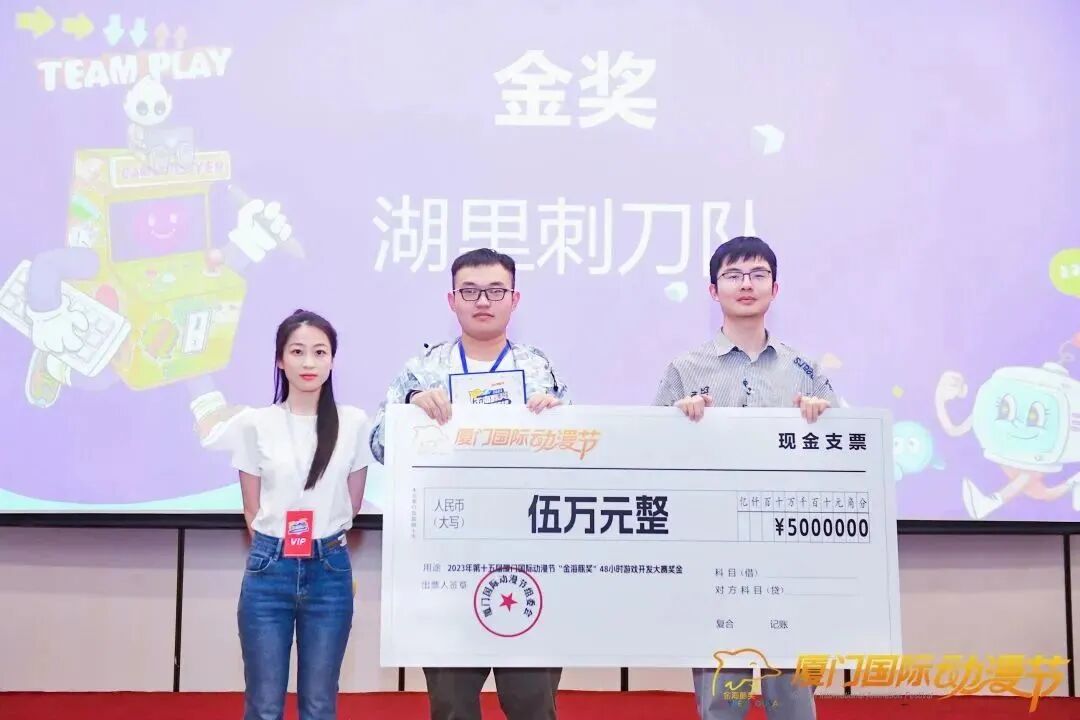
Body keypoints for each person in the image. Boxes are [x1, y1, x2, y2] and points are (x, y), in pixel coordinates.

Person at [370, 247, 569, 720]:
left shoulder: (538, 367)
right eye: (471, 291)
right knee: (452, 705)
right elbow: (379, 445)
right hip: (447, 559)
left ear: (514, 299)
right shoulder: (423, 370)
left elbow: (573, 453)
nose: (483, 301)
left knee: (532, 703)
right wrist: (410, 411)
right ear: (452, 299)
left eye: (496, 291)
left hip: (527, 555)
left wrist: (558, 421)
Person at [653, 236, 838, 720]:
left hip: (790, 548)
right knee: (722, 697)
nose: (746, 284)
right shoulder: (684, 368)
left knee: (793, 696)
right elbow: (652, 454)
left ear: (775, 287)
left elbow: (843, 454)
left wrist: (822, 420)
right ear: (713, 290)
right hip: (714, 549)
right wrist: (677, 421)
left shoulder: (804, 370)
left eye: (758, 274)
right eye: (733, 275)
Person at [232, 309, 374, 720]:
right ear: (280, 360)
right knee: (263, 705)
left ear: (332, 360)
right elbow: (251, 507)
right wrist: (276, 545)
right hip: (268, 568)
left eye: (319, 352)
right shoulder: (254, 423)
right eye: (297, 352)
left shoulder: (353, 422)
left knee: (319, 704)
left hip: (329, 568)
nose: (309, 362)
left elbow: (353, 503)